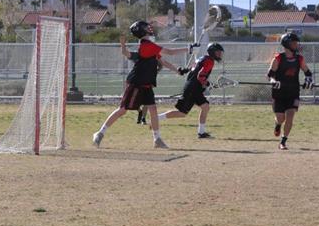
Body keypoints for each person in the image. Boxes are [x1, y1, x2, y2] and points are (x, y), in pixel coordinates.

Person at [92, 21, 186, 149]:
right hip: (136, 83)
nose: (149, 28)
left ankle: (157, 139)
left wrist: (178, 71)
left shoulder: (150, 47)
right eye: (146, 27)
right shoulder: (147, 45)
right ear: (141, 30)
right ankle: (100, 133)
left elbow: (163, 62)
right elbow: (170, 52)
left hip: (146, 84)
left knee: (153, 110)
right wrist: (189, 48)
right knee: (122, 110)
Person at [159, 43, 224, 138]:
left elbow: (192, 69)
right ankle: (156, 118)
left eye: (220, 53)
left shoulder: (202, 58)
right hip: (193, 88)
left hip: (193, 87)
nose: (219, 55)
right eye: (218, 52)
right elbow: (200, 76)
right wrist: (207, 84)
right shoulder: (210, 61)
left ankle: (201, 133)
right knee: (182, 113)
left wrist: (184, 70)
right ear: (212, 52)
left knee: (205, 107)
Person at [268, 32, 313, 150]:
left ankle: (283, 141)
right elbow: (270, 75)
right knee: (281, 118)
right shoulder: (278, 58)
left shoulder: (299, 59)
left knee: (290, 116)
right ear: (287, 44)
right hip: (279, 93)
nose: (296, 45)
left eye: (296, 43)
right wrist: (273, 81)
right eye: (294, 43)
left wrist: (308, 80)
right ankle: (278, 124)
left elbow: (308, 72)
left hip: (293, 92)